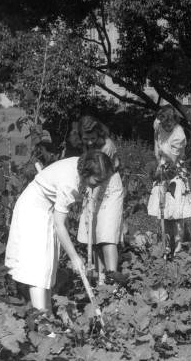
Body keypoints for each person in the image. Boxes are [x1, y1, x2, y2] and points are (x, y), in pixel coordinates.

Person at [5, 151, 114, 311]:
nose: (99, 185)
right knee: (39, 267)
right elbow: (59, 224)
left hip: (47, 208)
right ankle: (42, 320)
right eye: (97, 181)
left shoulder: (83, 163)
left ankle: (47, 313)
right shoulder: (69, 183)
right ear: (86, 173)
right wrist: (75, 258)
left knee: (48, 264)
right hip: (33, 210)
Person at [76, 116, 125, 285]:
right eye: (85, 138)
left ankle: (113, 280)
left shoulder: (107, 146)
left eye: (92, 138)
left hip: (109, 186)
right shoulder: (87, 144)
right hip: (93, 186)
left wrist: (92, 203)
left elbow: (100, 174)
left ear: (99, 133)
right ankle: (101, 279)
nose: (89, 142)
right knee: (94, 235)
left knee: (107, 235)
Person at [147, 105, 191, 256]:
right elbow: (157, 154)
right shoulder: (160, 128)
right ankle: (166, 245)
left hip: (175, 172)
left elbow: (173, 158)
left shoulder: (179, 134)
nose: (165, 126)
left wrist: (162, 147)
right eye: (162, 123)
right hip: (162, 170)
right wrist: (155, 134)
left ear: (174, 121)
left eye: (168, 124)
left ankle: (178, 247)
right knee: (164, 211)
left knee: (176, 212)